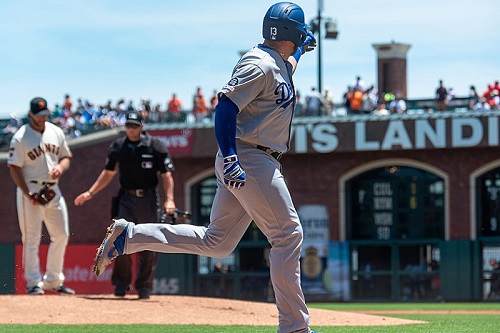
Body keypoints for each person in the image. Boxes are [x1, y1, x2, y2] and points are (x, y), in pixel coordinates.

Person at [92, 3, 317, 332]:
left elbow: (283, 70)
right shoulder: (260, 63)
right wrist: (230, 157)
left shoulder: (279, 63)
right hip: (248, 155)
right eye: (300, 32)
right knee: (288, 234)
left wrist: (301, 53)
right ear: (290, 33)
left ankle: (129, 236)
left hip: (252, 155)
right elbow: (225, 107)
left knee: (218, 243)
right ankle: (295, 327)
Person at [74, 111, 176, 299]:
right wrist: (90, 193)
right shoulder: (118, 146)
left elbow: (166, 175)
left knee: (148, 242)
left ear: (142, 126)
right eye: (128, 125)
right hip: (126, 199)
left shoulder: (155, 146)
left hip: (148, 200)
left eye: (135, 126)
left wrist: (169, 199)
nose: (131, 129)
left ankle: (144, 287)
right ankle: (121, 285)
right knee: (120, 238)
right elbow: (108, 173)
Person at [7, 97, 75, 296]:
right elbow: (14, 168)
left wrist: (60, 168)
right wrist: (27, 193)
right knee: (32, 238)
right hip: (31, 191)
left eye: (45, 115)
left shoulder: (56, 131)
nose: (42, 118)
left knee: (62, 234)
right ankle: (33, 283)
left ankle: (53, 280)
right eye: (39, 115)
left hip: (53, 190)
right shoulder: (20, 137)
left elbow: (65, 157)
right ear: (30, 114)